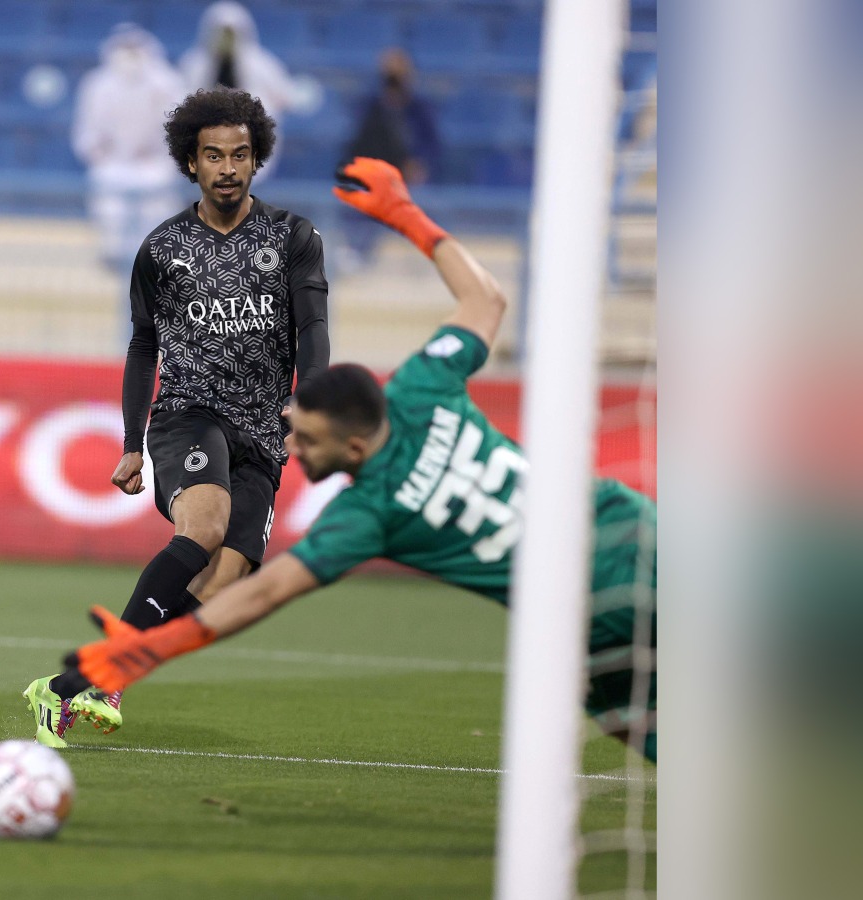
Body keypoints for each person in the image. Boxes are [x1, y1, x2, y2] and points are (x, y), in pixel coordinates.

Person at [63, 157, 658, 762]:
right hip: (631, 525)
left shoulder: (368, 513)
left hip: (590, 600)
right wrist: (406, 216)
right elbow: (486, 299)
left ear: (350, 449)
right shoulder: (420, 386)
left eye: (307, 441)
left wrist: (150, 648)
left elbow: (265, 595)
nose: (291, 447)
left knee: (628, 706)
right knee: (619, 705)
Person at [24, 89, 331, 748]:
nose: (228, 167)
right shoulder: (163, 249)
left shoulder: (294, 239)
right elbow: (143, 345)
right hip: (187, 415)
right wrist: (132, 441)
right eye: (213, 155)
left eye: (241, 155)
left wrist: (315, 411)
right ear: (190, 163)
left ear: (257, 160)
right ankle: (108, 679)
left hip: (264, 432)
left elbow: (314, 332)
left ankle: (65, 689)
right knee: (207, 524)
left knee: (225, 580)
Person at [71, 23, 187, 283]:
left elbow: (179, 131)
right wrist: (100, 148)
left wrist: (158, 150)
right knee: (107, 186)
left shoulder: (167, 82)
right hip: (114, 163)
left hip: (153, 164)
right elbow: (85, 132)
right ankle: (115, 257)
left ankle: (157, 258)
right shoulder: (97, 84)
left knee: (157, 195)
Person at [339, 49, 442, 271]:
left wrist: (419, 164)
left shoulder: (419, 109)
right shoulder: (372, 107)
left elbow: (431, 145)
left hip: (408, 177)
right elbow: (358, 145)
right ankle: (357, 252)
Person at [178, 2, 300, 182]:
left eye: (230, 33)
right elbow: (180, 98)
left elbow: (285, 95)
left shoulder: (262, 64)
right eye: (221, 33)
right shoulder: (195, 63)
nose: (225, 39)